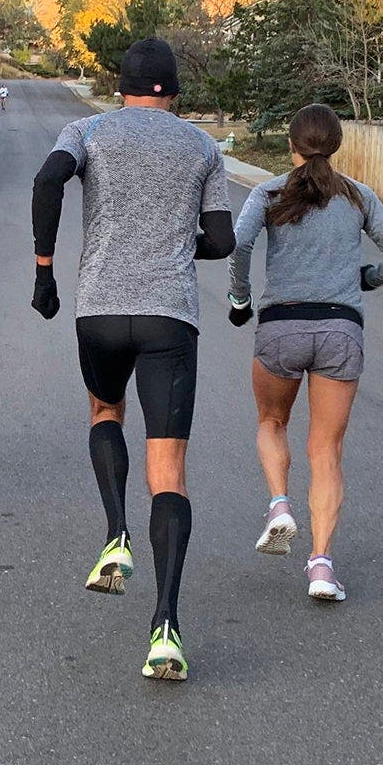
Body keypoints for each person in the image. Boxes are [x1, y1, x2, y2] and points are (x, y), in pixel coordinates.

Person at [31, 37, 233, 680]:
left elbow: (47, 180)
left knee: (103, 410)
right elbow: (223, 239)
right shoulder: (202, 146)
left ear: (121, 87)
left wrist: (44, 271)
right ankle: (166, 627)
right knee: (168, 468)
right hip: (168, 314)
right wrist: (173, 244)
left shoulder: (85, 129)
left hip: (99, 309)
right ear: (172, 91)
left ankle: (115, 534)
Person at [227, 104, 383, 602]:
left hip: (282, 326)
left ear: (290, 144)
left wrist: (240, 297)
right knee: (326, 450)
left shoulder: (268, 193)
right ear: (337, 144)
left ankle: (280, 505)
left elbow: (239, 243)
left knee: (271, 422)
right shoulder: (358, 196)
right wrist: (364, 280)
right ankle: (322, 566)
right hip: (339, 328)